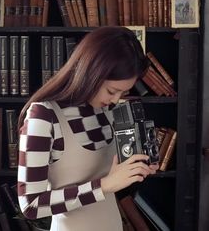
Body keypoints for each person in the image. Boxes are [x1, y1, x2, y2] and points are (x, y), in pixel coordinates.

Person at [17, 26, 159, 231]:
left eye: (124, 92)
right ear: (91, 72)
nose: (116, 99)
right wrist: (105, 185)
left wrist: (135, 168)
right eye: (112, 90)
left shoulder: (108, 111)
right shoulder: (45, 116)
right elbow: (31, 205)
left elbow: (112, 177)